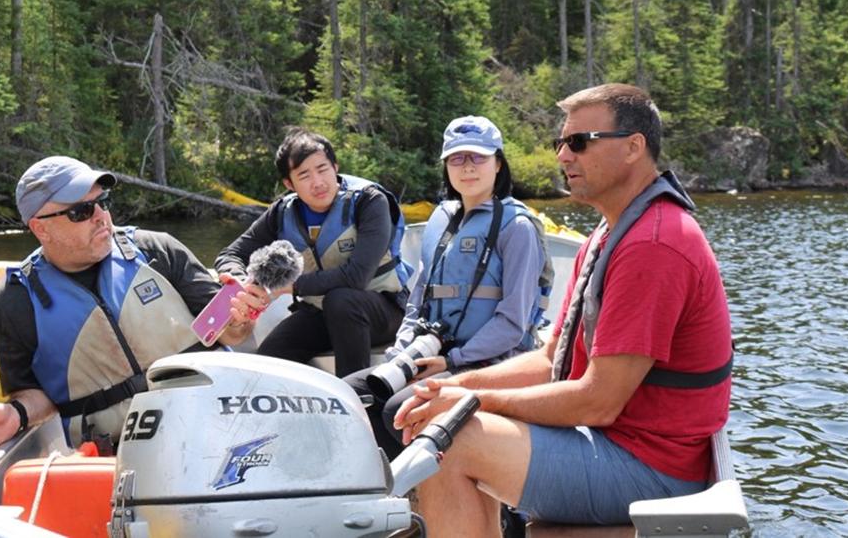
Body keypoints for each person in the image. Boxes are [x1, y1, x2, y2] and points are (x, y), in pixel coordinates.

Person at [392, 84, 733, 535]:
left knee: (452, 441)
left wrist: (471, 400)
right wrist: (453, 385)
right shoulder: (609, 234)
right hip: (617, 444)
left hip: (653, 467)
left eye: (579, 142)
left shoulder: (655, 243)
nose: (563, 156)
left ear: (634, 147)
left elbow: (598, 401)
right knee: (447, 416)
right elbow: (553, 359)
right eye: (560, 143)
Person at [0, 156, 243, 455]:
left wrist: (242, 316)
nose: (100, 216)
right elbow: (38, 395)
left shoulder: (157, 250)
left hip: (217, 419)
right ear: (41, 229)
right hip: (119, 454)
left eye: (103, 202)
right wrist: (16, 414)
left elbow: (232, 334)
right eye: (81, 211)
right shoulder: (12, 301)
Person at [345, 115, 553, 459]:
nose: (467, 168)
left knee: (397, 409)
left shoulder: (517, 227)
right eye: (457, 158)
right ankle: (389, 492)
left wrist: (452, 359)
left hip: (489, 360)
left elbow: (513, 325)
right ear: (446, 166)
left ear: (498, 164)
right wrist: (402, 353)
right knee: (350, 394)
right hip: (433, 352)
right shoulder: (442, 219)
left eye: (478, 157)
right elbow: (417, 302)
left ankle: (424, 488)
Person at [215, 128, 412, 377]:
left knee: (341, 300)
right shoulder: (282, 212)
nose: (318, 182)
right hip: (322, 313)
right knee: (269, 358)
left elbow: (357, 277)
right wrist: (237, 280)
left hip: (383, 309)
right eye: (304, 175)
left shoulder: (369, 202)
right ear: (289, 183)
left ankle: (358, 397)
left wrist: (289, 287)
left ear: (335, 167)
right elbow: (231, 253)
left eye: (322, 169)